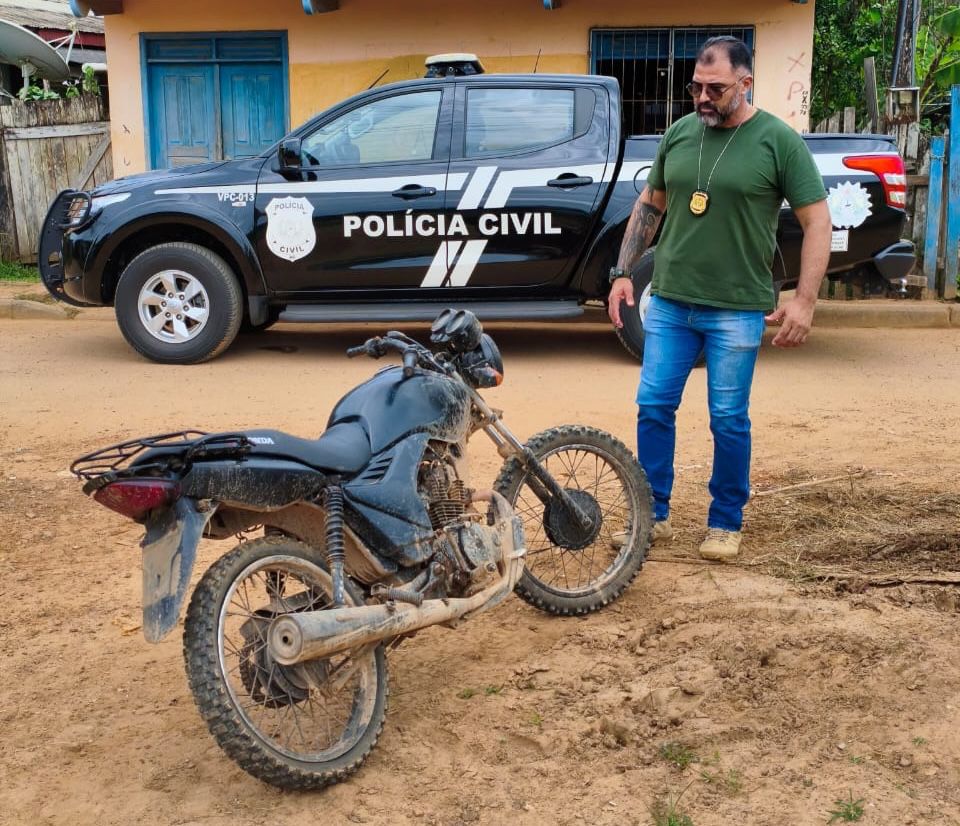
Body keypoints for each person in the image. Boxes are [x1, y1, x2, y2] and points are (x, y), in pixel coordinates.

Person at [608, 36, 832, 561]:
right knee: (653, 406)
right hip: (669, 302)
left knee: (728, 418)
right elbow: (650, 204)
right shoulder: (680, 133)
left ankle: (725, 522)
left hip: (737, 307)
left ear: (745, 83)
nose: (702, 98)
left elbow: (818, 221)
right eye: (695, 88)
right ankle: (653, 514)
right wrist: (621, 272)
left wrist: (805, 300)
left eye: (716, 88)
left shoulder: (778, 141)